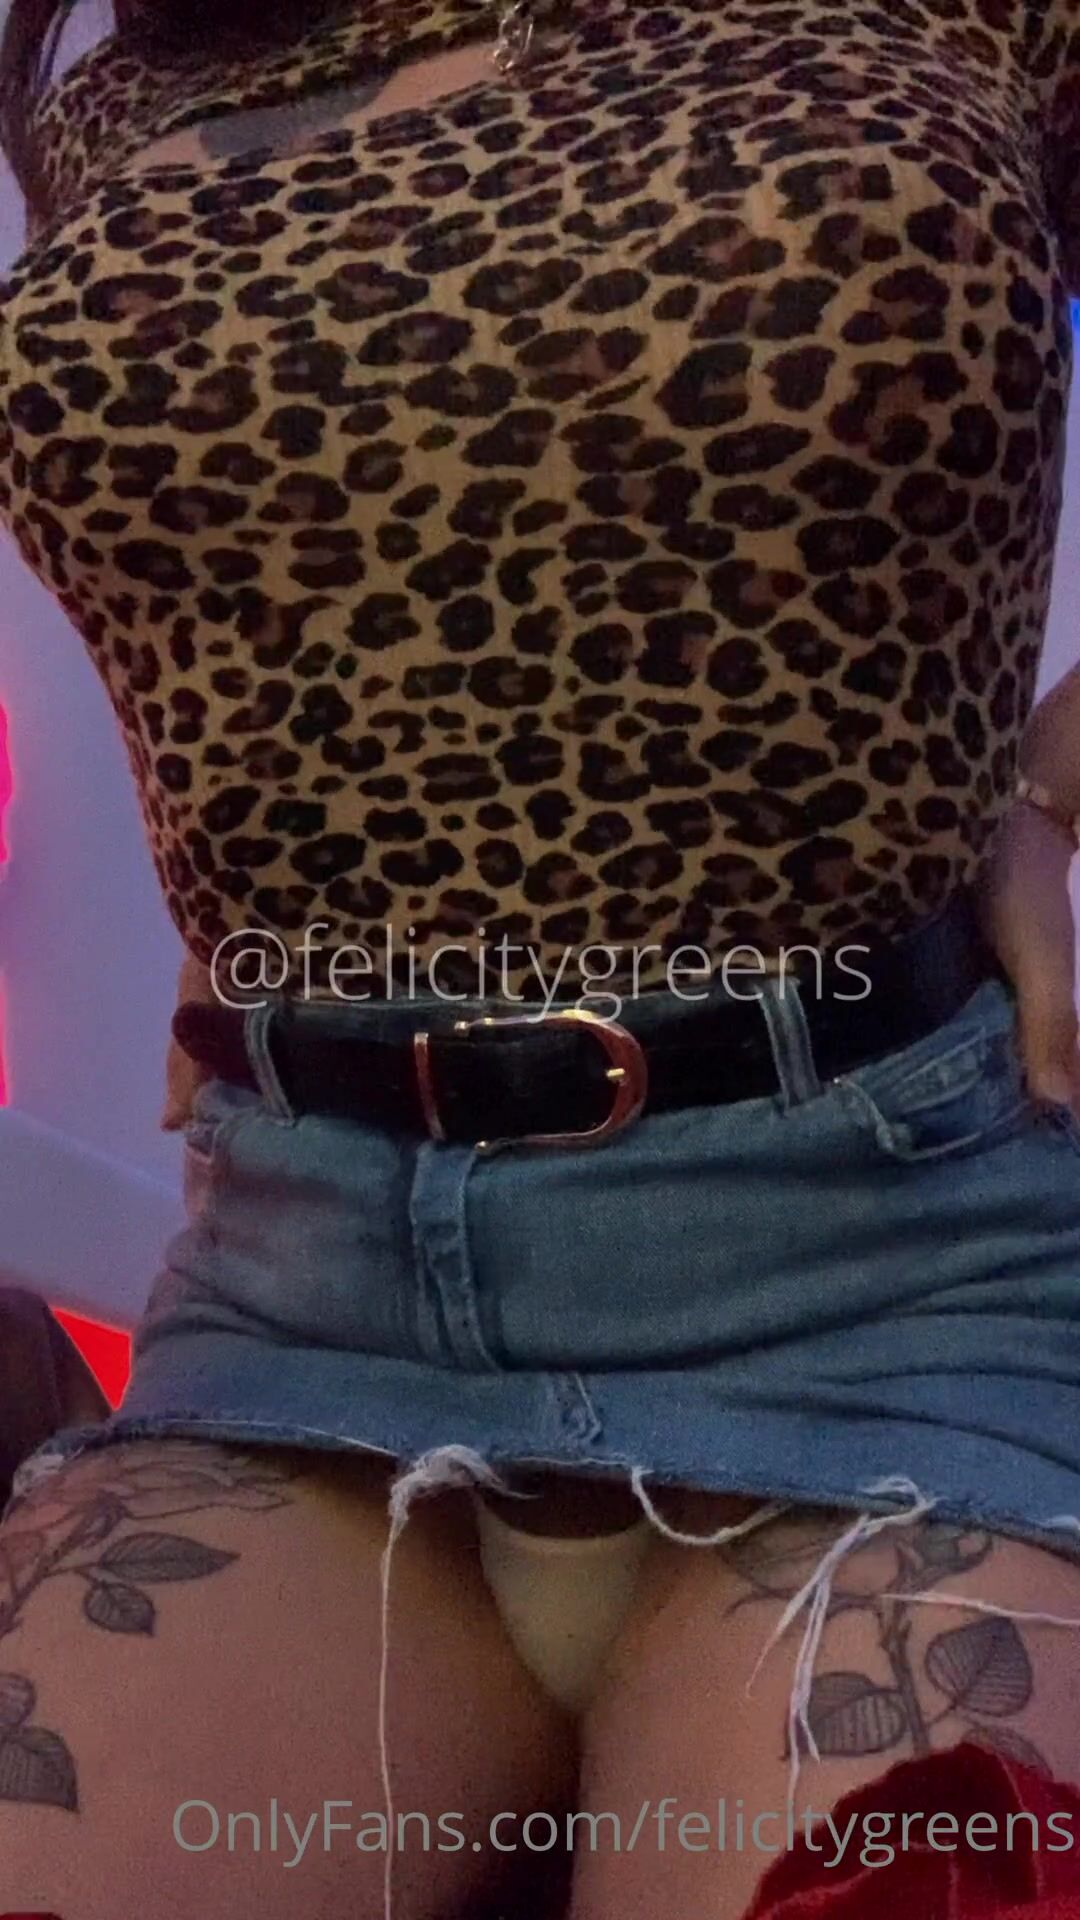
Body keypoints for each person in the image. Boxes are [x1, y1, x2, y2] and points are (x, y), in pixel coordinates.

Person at [3, 1, 1080, 1915]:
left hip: (886, 1274)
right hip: (300, 1288)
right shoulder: (127, 78)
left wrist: (1040, 778)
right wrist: (242, 870)